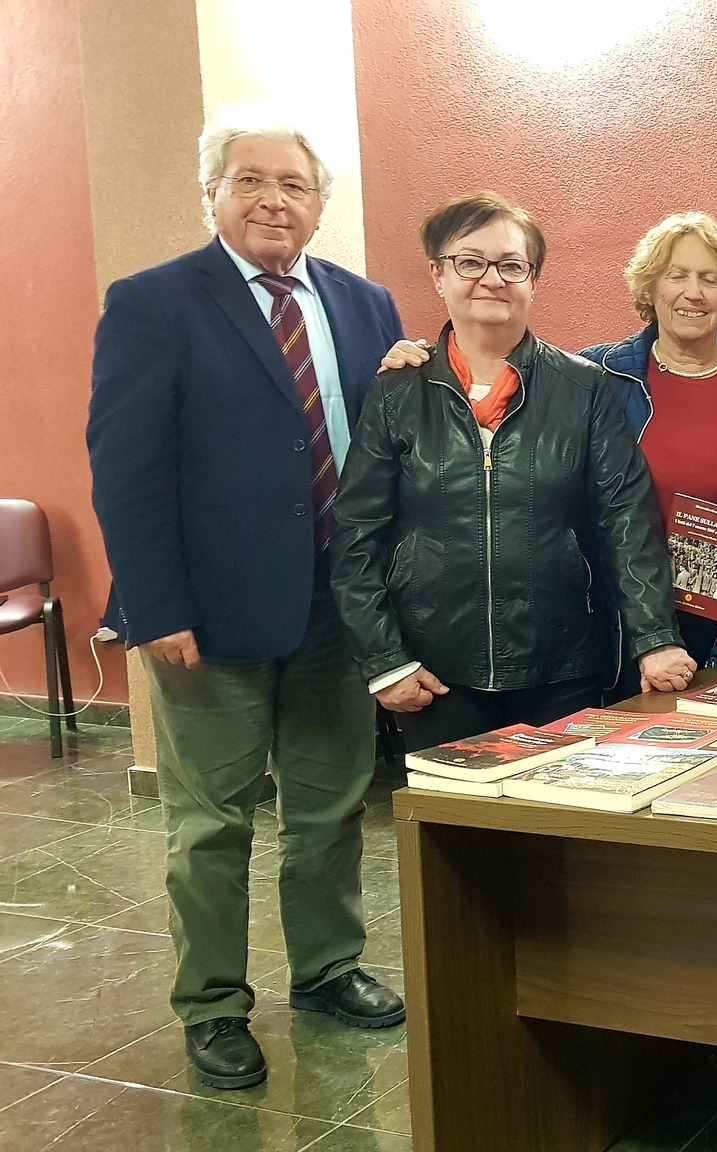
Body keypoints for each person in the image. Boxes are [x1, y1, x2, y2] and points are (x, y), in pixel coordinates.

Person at [86, 107, 407, 1090]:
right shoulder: (153, 302)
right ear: (211, 196)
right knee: (210, 824)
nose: (275, 199)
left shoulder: (366, 304)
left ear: (319, 204)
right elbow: (126, 469)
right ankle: (215, 1005)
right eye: (251, 180)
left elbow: (388, 454)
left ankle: (326, 970)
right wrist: (154, 604)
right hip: (208, 616)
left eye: (294, 184)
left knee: (329, 807)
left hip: (336, 607)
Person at [329, 192, 694, 752]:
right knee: (453, 835)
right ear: (438, 275)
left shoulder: (583, 389)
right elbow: (356, 535)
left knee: (558, 833)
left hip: (563, 666)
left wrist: (655, 639)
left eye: (511, 265)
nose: (490, 279)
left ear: (532, 279)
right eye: (469, 262)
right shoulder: (397, 392)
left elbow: (627, 521)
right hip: (434, 673)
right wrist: (384, 660)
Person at [384, 212, 717, 669]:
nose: (693, 292)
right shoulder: (592, 378)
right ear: (651, 289)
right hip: (616, 621)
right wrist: (423, 363)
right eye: (677, 276)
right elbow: (497, 390)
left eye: (710, 279)